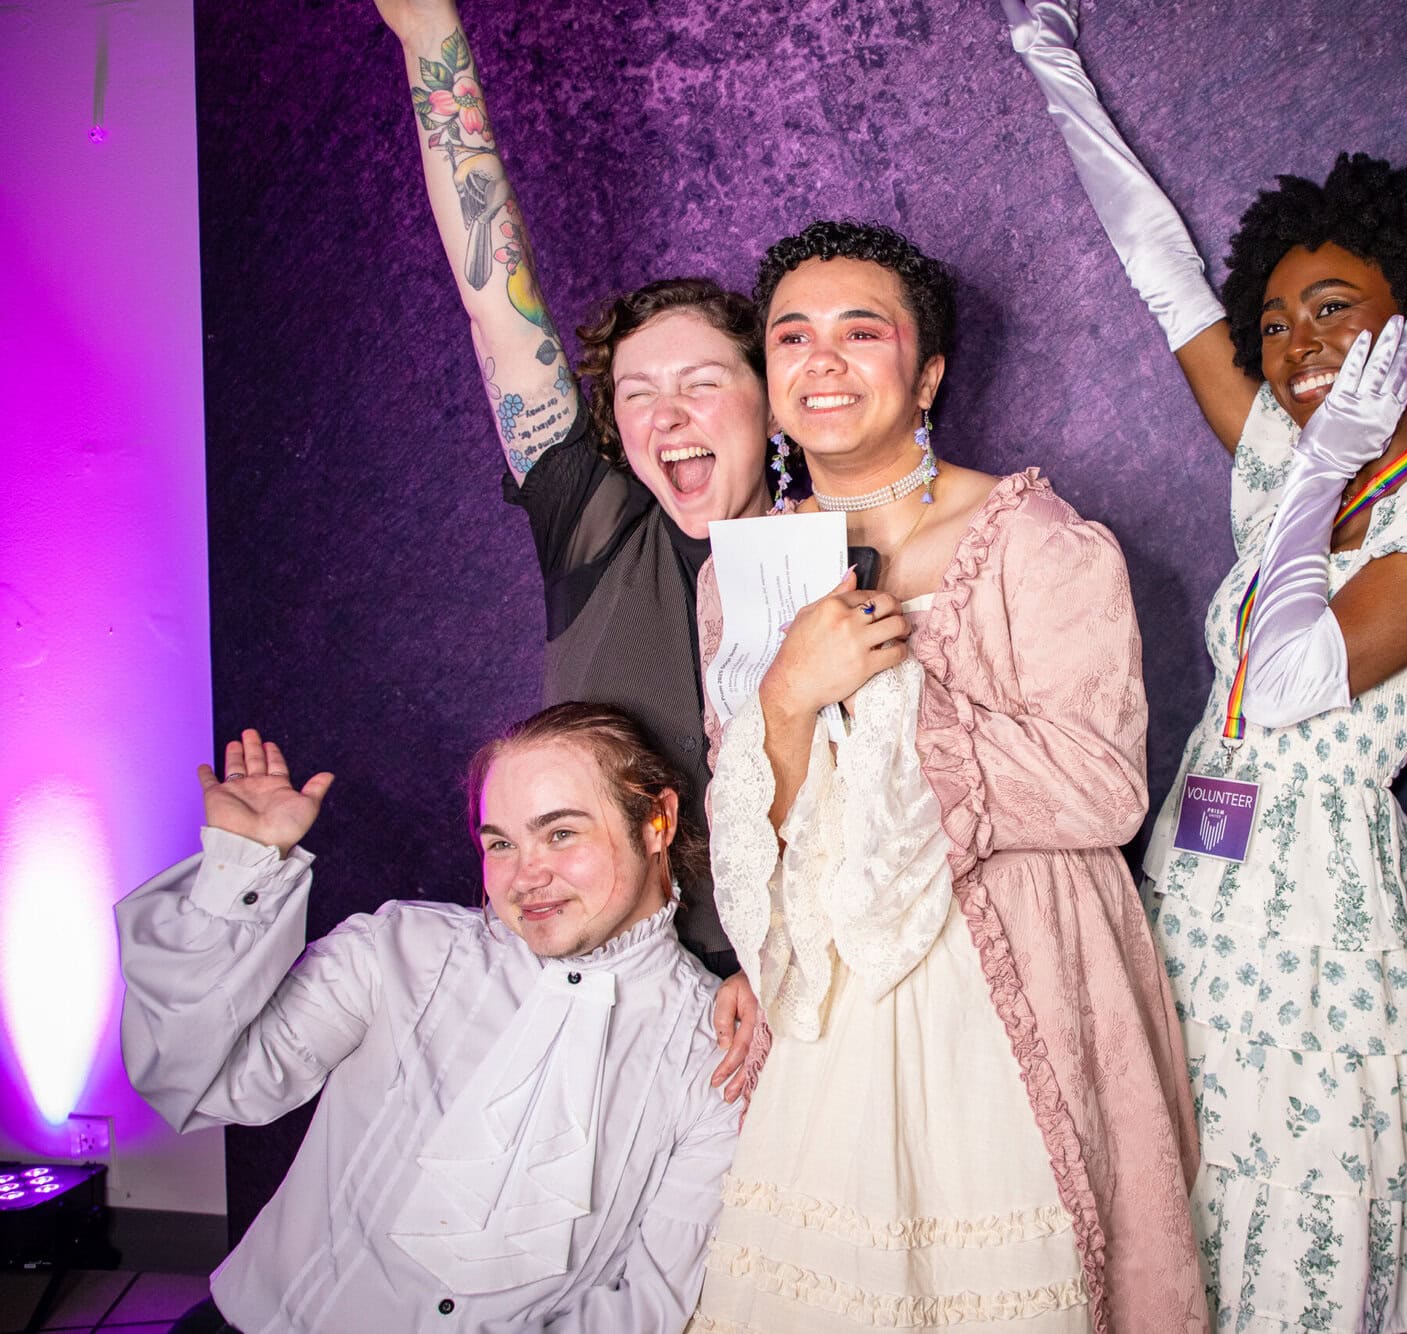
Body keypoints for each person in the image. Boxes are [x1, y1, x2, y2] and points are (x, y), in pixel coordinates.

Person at [1003, 5, 1407, 1329]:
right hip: (1189, 922)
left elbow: (1294, 671)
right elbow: (1161, 273)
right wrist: (1050, 64)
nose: (1298, 348)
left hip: (1321, 955)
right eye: (1281, 320)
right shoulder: (1282, 470)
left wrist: (1329, 462)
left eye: (1333, 310)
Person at [687, 221, 1205, 1332]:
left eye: (858, 332)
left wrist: (869, 693)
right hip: (836, 1004)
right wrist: (785, 698)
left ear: (925, 372)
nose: (820, 362)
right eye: (791, 336)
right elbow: (757, 816)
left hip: (1007, 976)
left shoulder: (1033, 540)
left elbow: (1100, 782)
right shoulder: (741, 577)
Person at [371, 0, 771, 1064]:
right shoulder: (598, 527)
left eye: (700, 382)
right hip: (612, 1010)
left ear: (769, 399)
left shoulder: (848, 550)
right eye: (638, 393)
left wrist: (771, 967)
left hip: (796, 1006)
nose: (667, 414)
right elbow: (494, 308)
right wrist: (431, 45)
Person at [123, 709, 739, 1334]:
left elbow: (648, 1302)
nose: (525, 877)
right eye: (500, 843)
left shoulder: (717, 1049)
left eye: (560, 834)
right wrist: (240, 868)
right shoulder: (399, 950)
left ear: (657, 820)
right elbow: (203, 1083)